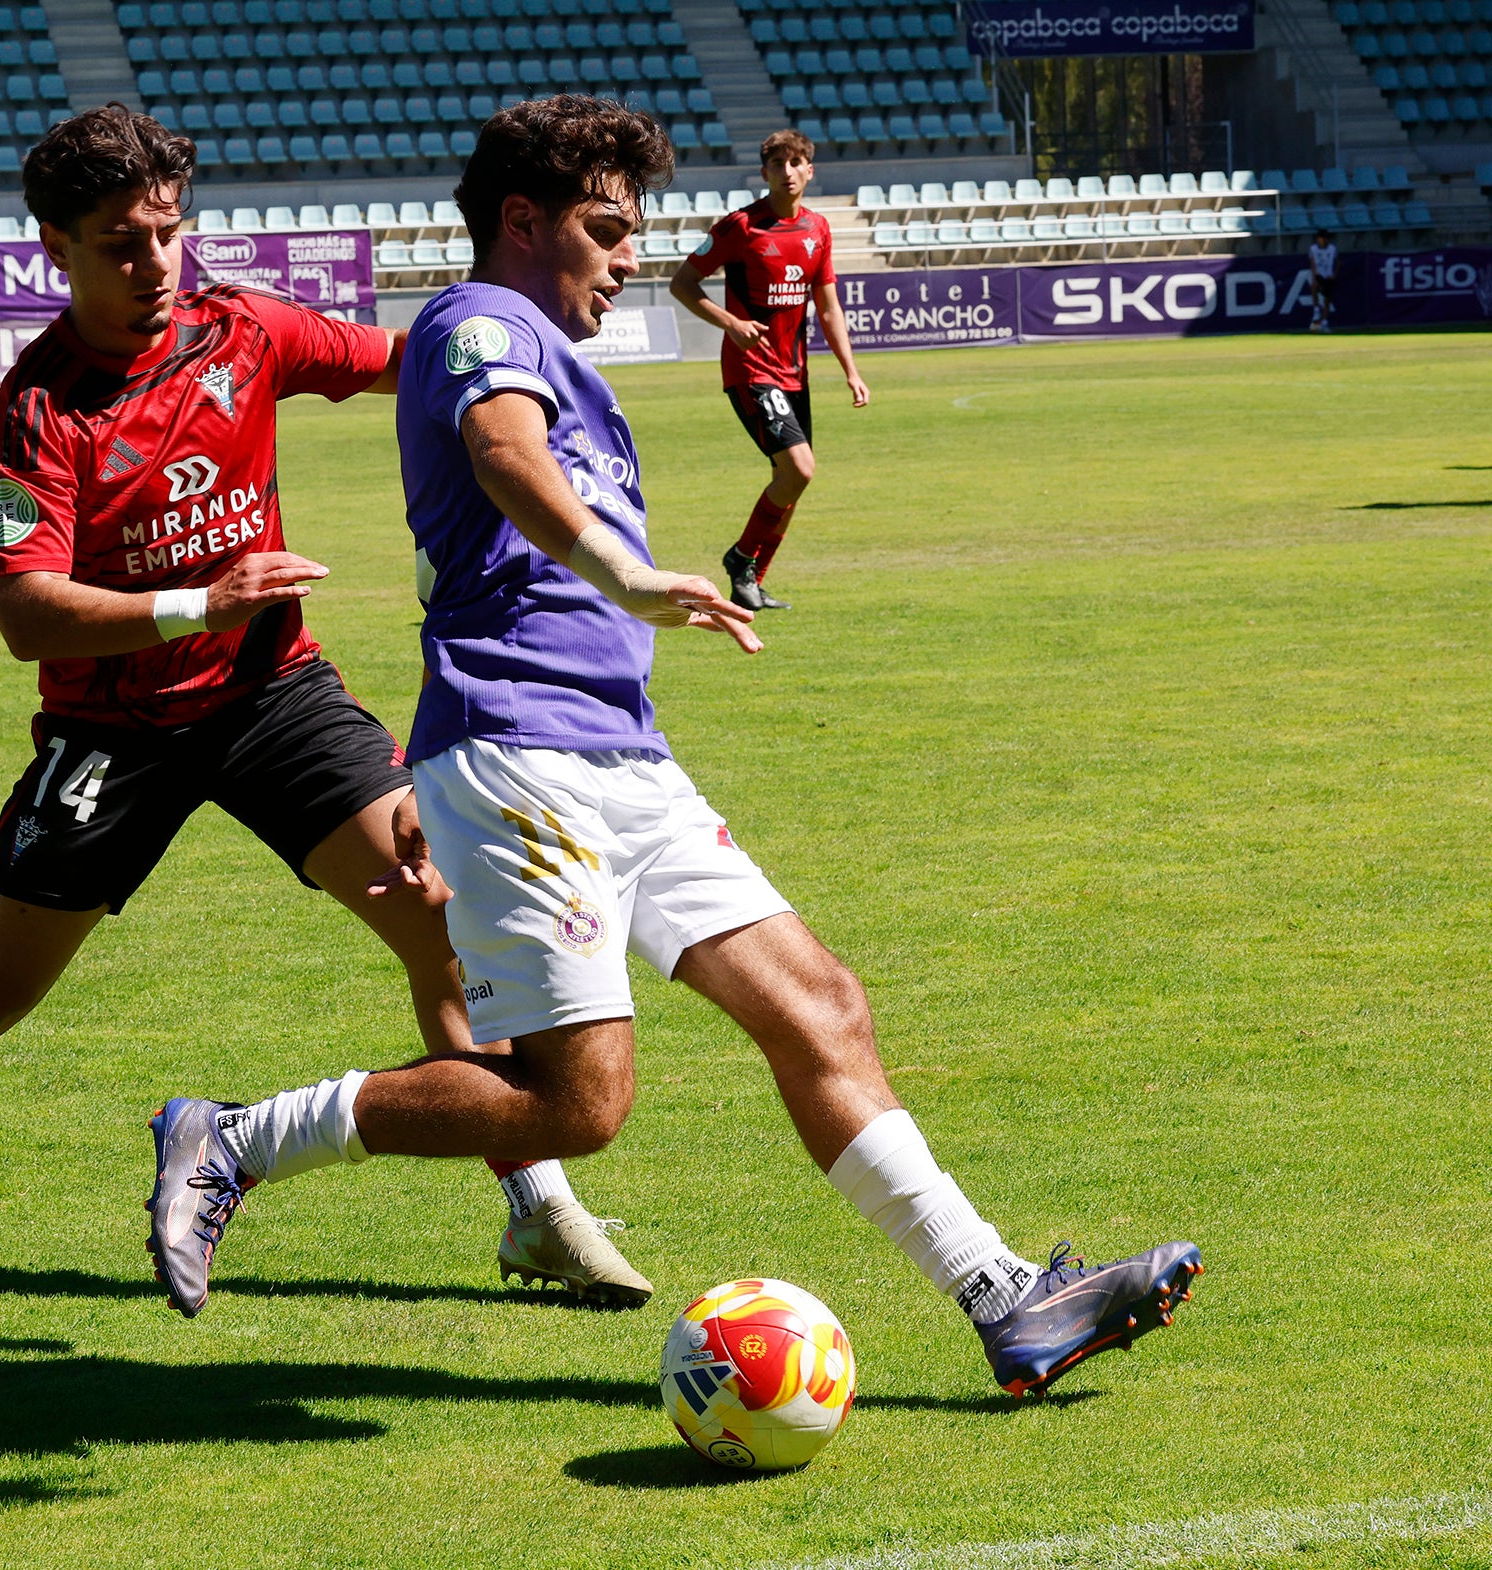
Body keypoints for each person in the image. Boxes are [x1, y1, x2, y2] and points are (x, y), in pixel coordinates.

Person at [143, 95, 1203, 1396]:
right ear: (523, 222)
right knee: (577, 1104)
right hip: (524, 750)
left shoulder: (549, 344)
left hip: (618, 753)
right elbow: (500, 450)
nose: (629, 255)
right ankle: (236, 1137)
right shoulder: (480, 322)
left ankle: (1006, 1300)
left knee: (823, 1005)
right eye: (605, 228)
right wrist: (620, 569)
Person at [0, 104, 652, 1308]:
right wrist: (195, 601)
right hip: (111, 732)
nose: (154, 262)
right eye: (120, 241)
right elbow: (28, 615)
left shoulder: (242, 331)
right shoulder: (37, 412)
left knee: (440, 920)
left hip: (274, 695)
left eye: (168, 232)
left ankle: (540, 1211)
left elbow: (408, 360)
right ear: (54, 247)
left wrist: (497, 361)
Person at [667, 129, 868, 614]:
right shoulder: (741, 226)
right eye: (778, 163)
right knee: (799, 469)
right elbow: (683, 283)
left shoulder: (818, 229)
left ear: (810, 170)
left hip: (795, 373)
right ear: (765, 173)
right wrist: (731, 323)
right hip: (751, 369)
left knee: (793, 480)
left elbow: (829, 307)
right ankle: (741, 558)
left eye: (796, 162)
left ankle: (750, 578)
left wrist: (851, 370)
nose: (788, 171)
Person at [1309, 229, 1338, 333]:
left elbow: (1337, 262)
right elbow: (1312, 263)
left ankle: (1325, 322)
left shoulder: (1332, 249)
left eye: (1325, 238)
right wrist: (1315, 275)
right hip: (1319, 274)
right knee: (1314, 288)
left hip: (1328, 276)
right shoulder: (1313, 249)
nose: (1323, 240)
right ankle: (1316, 310)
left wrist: (1334, 275)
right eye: (1321, 238)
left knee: (1327, 299)